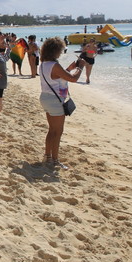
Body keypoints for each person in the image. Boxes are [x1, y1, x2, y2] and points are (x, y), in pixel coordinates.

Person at [39, 37, 85, 170]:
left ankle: (47, 157)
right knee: (58, 131)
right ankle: (55, 160)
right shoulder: (55, 65)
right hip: (55, 100)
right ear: (56, 51)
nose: (61, 52)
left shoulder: (43, 64)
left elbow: (55, 77)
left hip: (46, 97)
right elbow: (73, 79)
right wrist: (80, 67)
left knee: (51, 130)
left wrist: (69, 68)